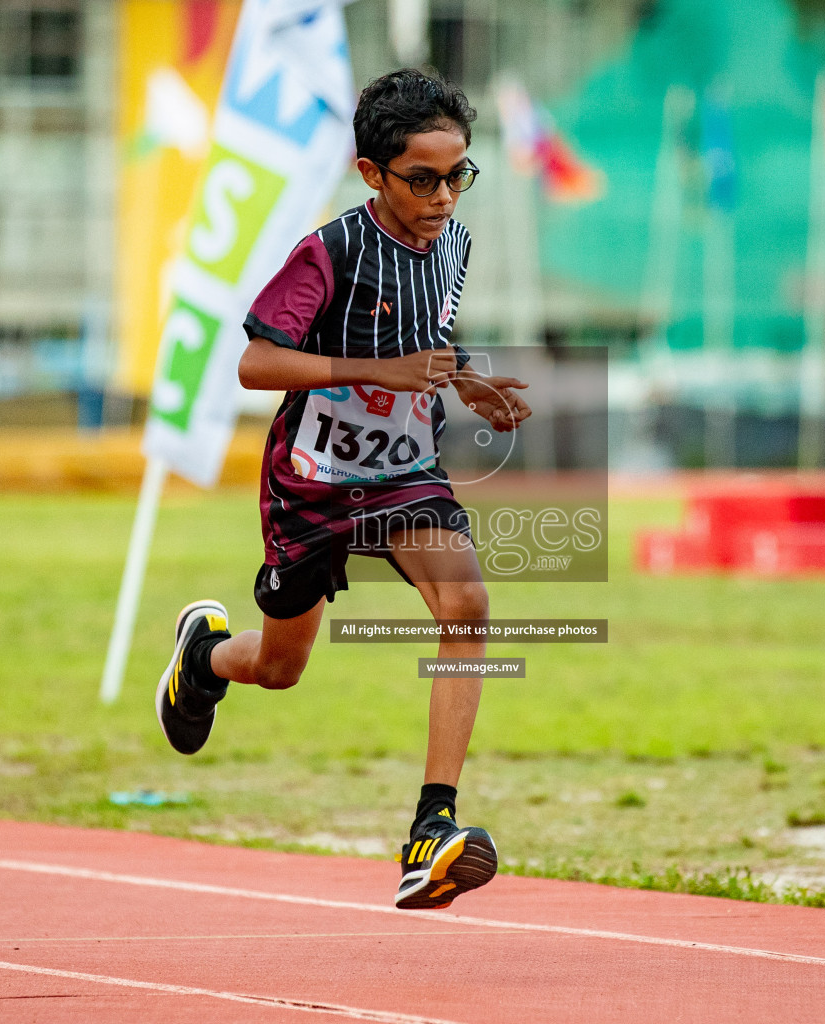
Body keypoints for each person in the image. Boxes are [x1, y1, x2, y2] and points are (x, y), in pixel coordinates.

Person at [154, 68, 531, 910]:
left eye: (458, 175)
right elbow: (256, 362)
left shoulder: (455, 245)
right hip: (313, 481)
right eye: (422, 179)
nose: (443, 198)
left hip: (405, 473)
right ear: (372, 174)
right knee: (282, 667)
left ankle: (432, 830)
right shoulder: (328, 252)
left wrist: (467, 380)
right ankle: (205, 658)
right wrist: (377, 371)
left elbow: (428, 337)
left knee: (467, 610)